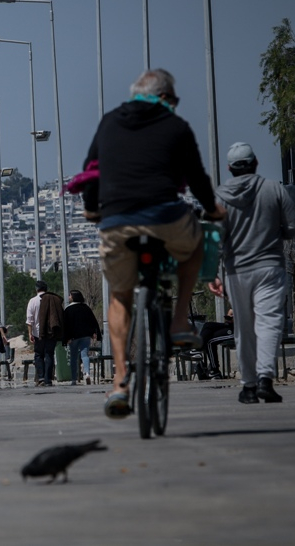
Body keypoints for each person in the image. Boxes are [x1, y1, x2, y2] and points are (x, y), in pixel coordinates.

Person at [81, 69, 225, 418]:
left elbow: (90, 171)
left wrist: (91, 210)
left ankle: (119, 382)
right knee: (196, 246)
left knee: (119, 295)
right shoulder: (176, 126)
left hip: (116, 221)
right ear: (165, 98)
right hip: (166, 216)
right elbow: (196, 177)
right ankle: (178, 321)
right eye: (173, 101)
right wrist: (211, 209)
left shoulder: (110, 122)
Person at [208, 142, 295, 404]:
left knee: (244, 329)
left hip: (236, 271)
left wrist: (211, 273)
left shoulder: (221, 196)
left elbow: (213, 238)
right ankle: (265, 380)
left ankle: (248, 386)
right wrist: (275, 233)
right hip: (270, 266)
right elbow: (294, 226)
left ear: (229, 168)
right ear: (255, 163)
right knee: (269, 323)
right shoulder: (274, 189)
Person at [62, 290, 101, 386]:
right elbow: (93, 321)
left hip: (73, 337)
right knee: (85, 355)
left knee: (73, 358)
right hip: (86, 336)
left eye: (70, 295)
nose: (69, 297)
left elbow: (65, 325)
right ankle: (87, 373)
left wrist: (66, 338)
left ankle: (74, 379)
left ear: (73, 297)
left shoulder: (68, 310)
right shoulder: (86, 308)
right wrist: (94, 333)